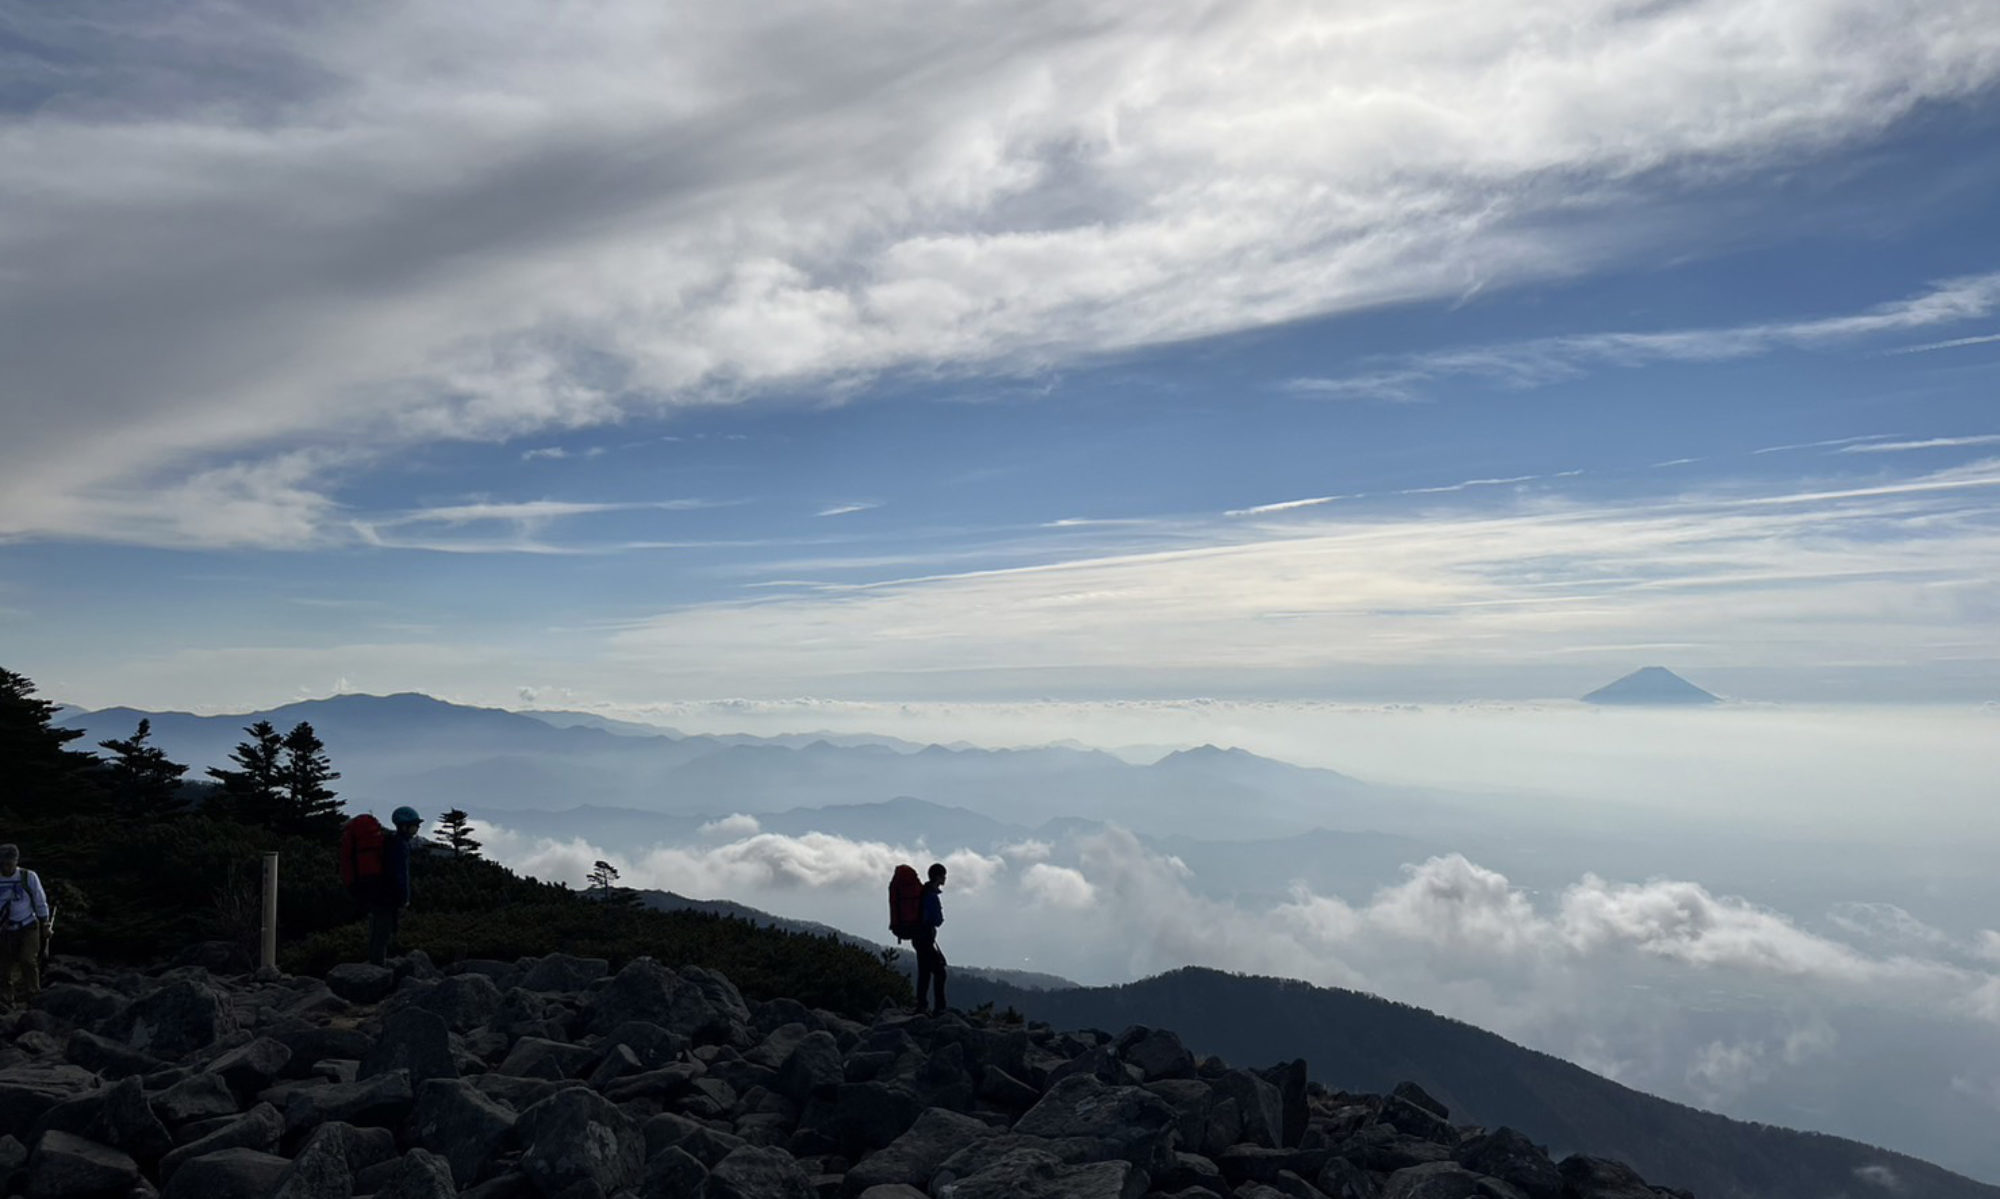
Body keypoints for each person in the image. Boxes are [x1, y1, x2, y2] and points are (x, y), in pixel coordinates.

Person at [364, 807, 423, 966]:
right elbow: (400, 874)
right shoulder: (399, 845)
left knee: (378, 932)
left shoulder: (391, 841)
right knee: (382, 933)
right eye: (415, 824)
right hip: (386, 898)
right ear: (404, 826)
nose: (417, 828)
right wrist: (404, 898)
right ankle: (376, 969)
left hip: (379, 895)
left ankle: (375, 963)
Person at [0, 844, 51, 1012]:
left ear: (16, 861)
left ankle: (33, 996)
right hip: (5, 929)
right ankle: (6, 1000)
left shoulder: (28, 877)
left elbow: (39, 900)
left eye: (9, 863)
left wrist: (45, 923)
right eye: (3, 863)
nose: (6, 867)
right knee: (4, 966)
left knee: (28, 960)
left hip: (28, 925)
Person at [913, 861, 948, 1015]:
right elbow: (937, 920)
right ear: (938, 877)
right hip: (925, 937)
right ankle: (939, 1008)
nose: (945, 878)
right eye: (943, 875)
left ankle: (922, 1005)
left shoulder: (922, 892)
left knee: (925, 972)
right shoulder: (931, 895)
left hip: (918, 937)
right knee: (940, 972)